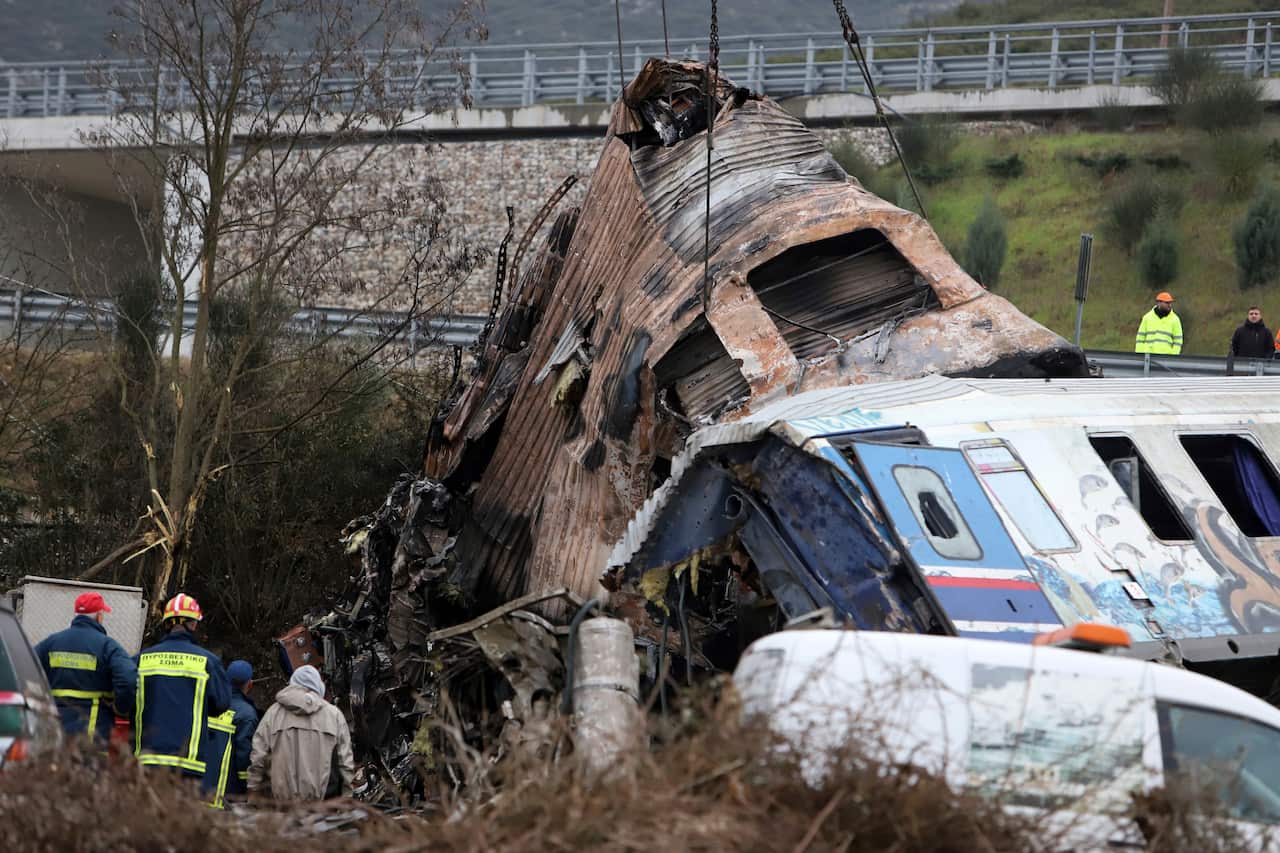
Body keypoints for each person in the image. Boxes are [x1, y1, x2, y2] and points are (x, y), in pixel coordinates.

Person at [134, 593, 231, 779]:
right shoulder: (208, 662)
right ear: (193, 624)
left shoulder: (142, 659)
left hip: (147, 759)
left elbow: (126, 696)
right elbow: (221, 704)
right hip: (187, 760)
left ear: (167, 624)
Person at [33, 591, 137, 743]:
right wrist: (121, 709)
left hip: (54, 732)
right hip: (92, 734)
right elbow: (128, 678)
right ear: (99, 616)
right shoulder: (108, 646)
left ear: (76, 616)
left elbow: (26, 667)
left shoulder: (50, 643)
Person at [248, 664, 354, 801]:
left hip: (282, 808)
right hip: (325, 809)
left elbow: (258, 757)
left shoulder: (273, 714)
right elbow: (345, 762)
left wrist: (252, 790)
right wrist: (347, 798)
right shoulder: (334, 715)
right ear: (318, 687)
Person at [225, 660, 260, 797]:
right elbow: (244, 755)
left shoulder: (214, 704)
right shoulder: (247, 715)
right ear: (250, 684)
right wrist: (247, 787)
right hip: (233, 788)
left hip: (208, 782)